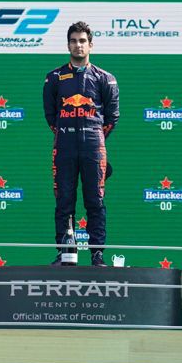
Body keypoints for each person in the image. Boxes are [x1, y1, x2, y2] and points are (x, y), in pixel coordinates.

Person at [43, 21, 119, 267]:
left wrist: (92, 136)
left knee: (95, 201)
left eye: (83, 41)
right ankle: (65, 254)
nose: (78, 45)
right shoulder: (54, 78)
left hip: (93, 148)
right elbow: (50, 116)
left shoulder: (105, 78)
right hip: (64, 146)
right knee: (64, 201)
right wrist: (68, 133)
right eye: (74, 41)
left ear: (91, 45)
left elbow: (112, 117)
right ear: (68, 45)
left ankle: (97, 255)